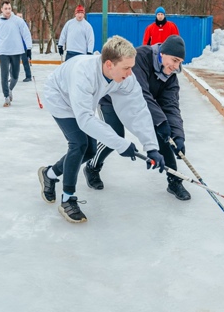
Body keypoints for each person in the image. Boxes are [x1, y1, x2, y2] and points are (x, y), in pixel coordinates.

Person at [39, 35, 165, 223]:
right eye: (127, 68)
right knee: (79, 144)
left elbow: (137, 109)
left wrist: (151, 147)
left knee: (90, 151)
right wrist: (120, 143)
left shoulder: (124, 78)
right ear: (109, 64)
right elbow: (84, 120)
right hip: (59, 97)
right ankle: (67, 199)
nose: (130, 73)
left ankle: (49, 174)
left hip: (81, 102)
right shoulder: (84, 74)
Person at [84, 35, 191, 200]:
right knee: (115, 136)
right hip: (112, 98)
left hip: (141, 104)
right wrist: (160, 121)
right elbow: (141, 93)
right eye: (174, 60)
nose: (176, 66)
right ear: (162, 53)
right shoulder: (140, 57)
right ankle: (92, 166)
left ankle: (174, 180)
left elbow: (171, 107)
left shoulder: (170, 78)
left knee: (164, 135)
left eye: (180, 62)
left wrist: (178, 135)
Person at [0, 1, 33, 107]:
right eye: (6, 8)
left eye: (9, 8)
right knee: (4, 76)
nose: (8, 10)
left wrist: (29, 48)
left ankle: (9, 89)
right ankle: (6, 97)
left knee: (15, 76)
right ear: (2, 10)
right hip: (3, 52)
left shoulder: (18, 21)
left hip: (16, 52)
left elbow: (26, 34)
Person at [16, 13, 33, 82]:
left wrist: (28, 48)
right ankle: (13, 77)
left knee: (25, 62)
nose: (19, 18)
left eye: (20, 16)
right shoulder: (14, 25)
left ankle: (28, 76)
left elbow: (27, 37)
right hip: (16, 47)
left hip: (23, 47)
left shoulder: (24, 25)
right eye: (18, 17)